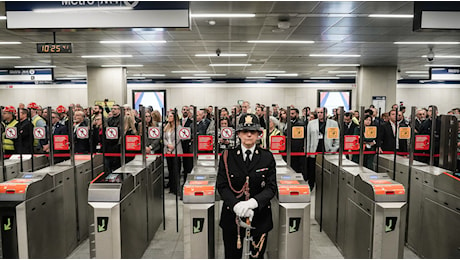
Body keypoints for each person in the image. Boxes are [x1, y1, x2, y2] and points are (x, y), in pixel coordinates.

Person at [217, 113, 277, 259]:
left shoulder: (267, 157)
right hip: (232, 217)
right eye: (245, 131)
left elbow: (271, 187)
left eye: (253, 131)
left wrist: (253, 203)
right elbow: (222, 185)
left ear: (259, 135)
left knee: (256, 256)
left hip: (260, 216)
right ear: (238, 134)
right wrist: (236, 205)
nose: (249, 135)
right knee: (232, 256)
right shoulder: (227, 156)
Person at [306, 107, 340, 189]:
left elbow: (337, 138)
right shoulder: (311, 123)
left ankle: (325, 187)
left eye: (321, 112)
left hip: (327, 150)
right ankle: (311, 185)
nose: (320, 114)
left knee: (326, 171)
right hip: (314, 150)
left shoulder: (333, 123)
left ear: (325, 113)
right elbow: (308, 138)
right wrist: (308, 151)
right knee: (312, 170)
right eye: (318, 113)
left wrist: (333, 149)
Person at [163, 111, 183, 195]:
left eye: (171, 116)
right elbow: (163, 138)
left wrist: (172, 147)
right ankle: (171, 188)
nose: (169, 117)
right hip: (167, 151)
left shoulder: (179, 127)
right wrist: (167, 145)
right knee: (170, 169)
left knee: (176, 170)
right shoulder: (166, 127)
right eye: (168, 116)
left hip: (175, 150)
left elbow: (178, 138)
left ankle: (176, 189)